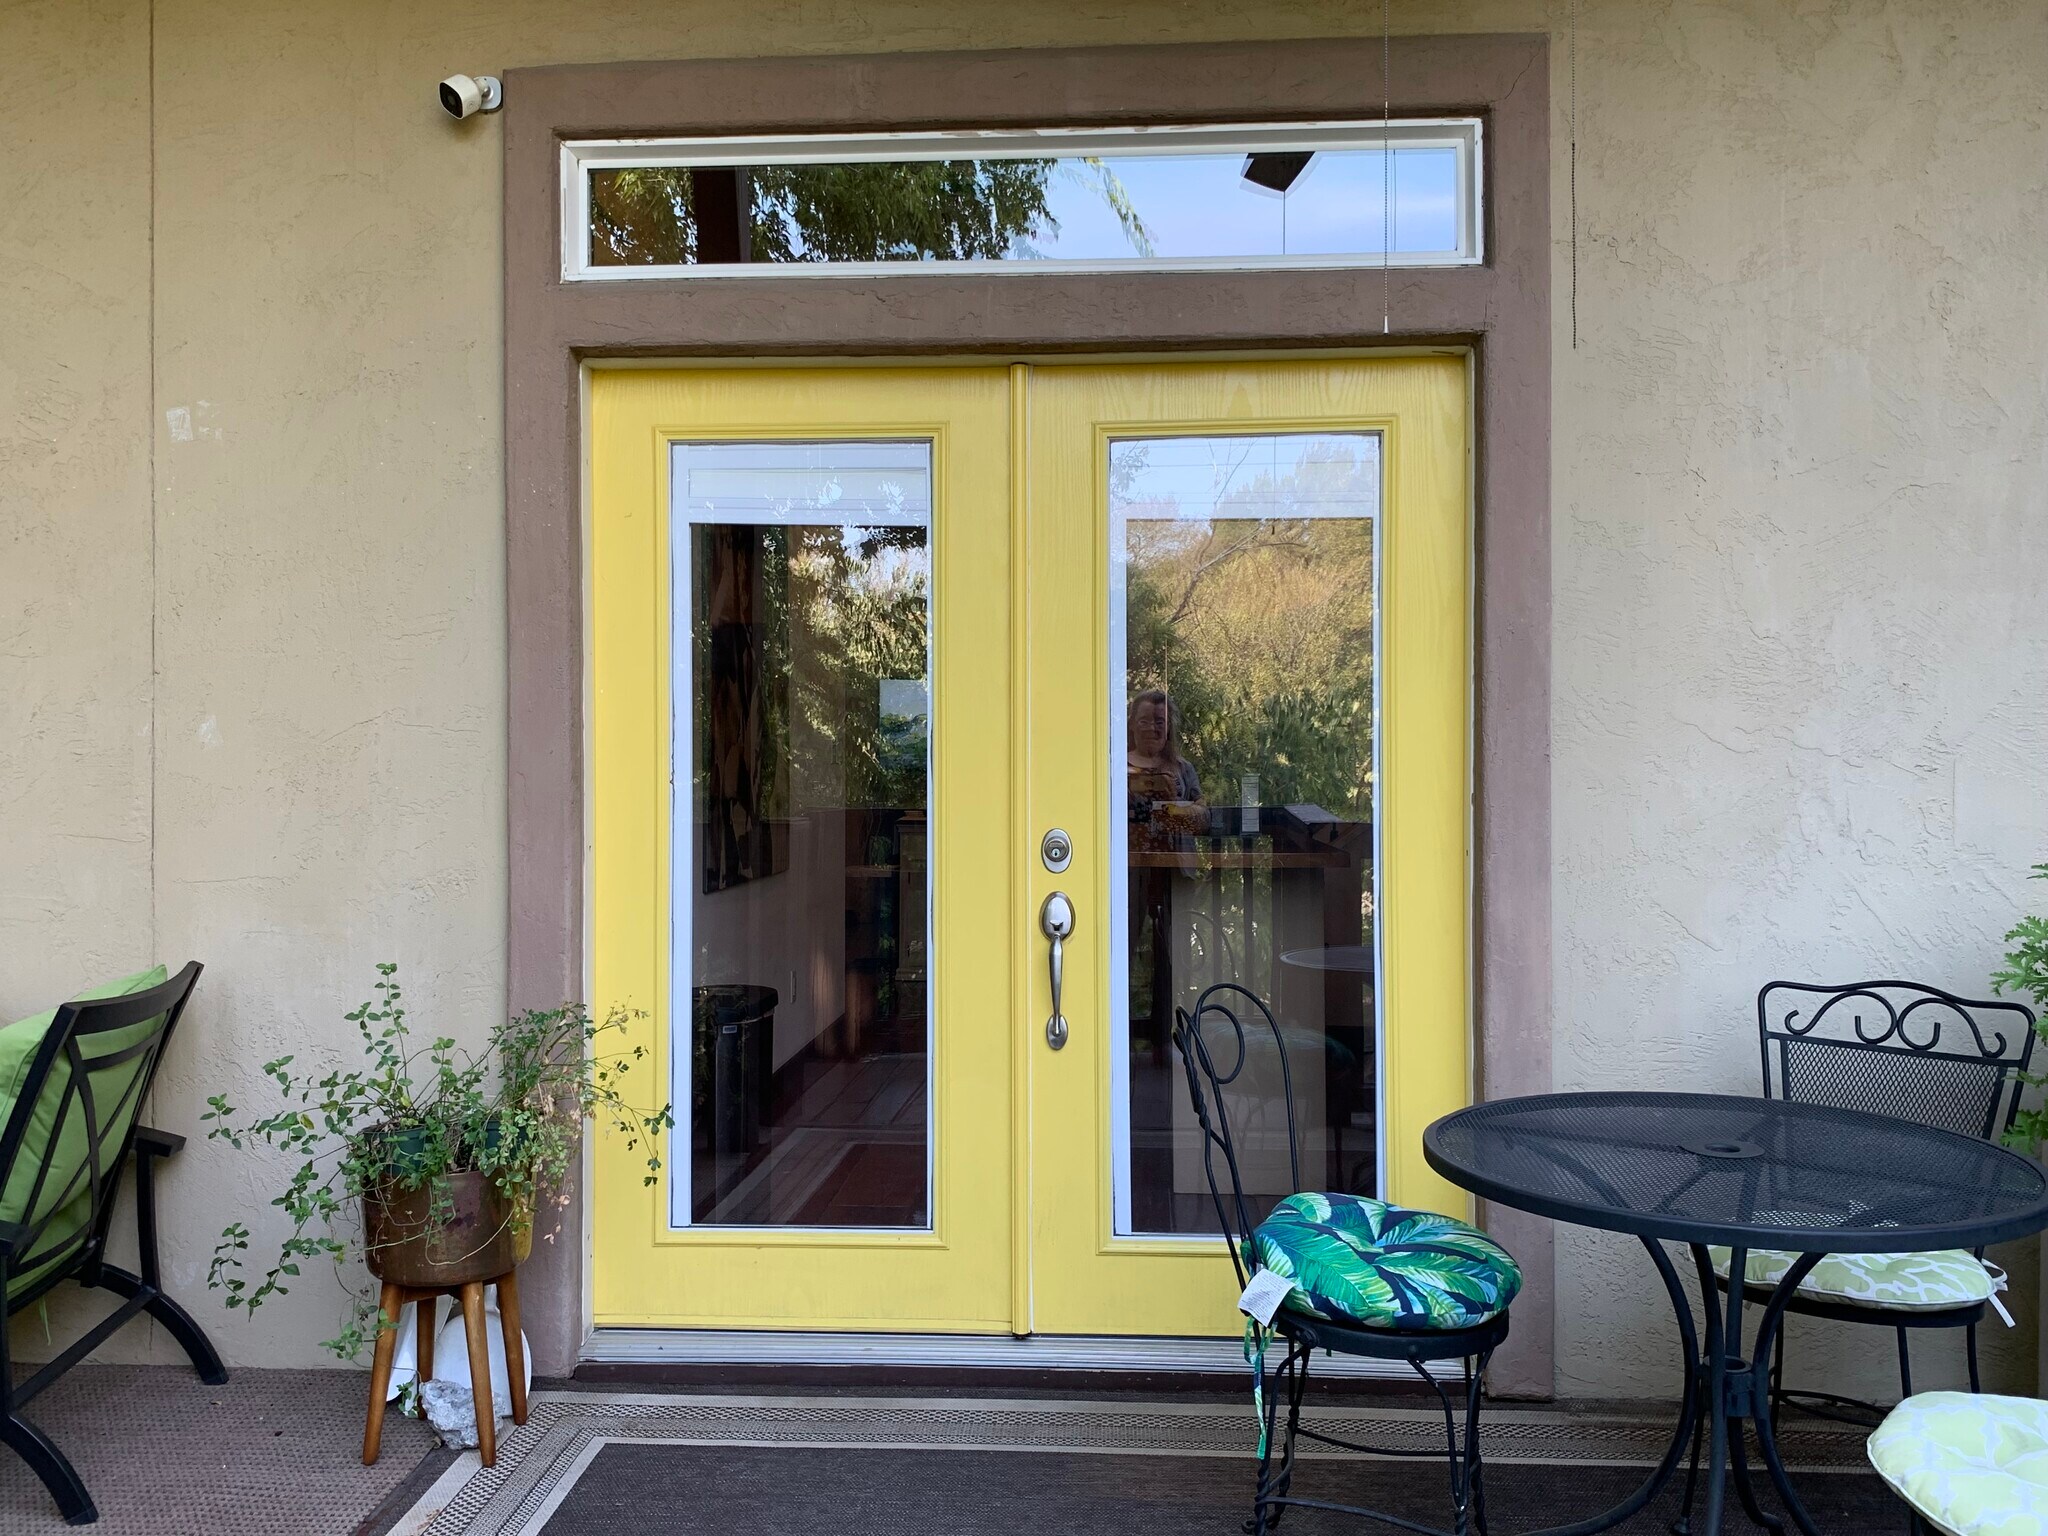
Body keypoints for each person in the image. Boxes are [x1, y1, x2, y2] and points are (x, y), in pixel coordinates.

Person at [1126, 688, 1204, 851]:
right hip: (1128, 867)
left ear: (1168, 727)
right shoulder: (1117, 768)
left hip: (1176, 868)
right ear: (1132, 724)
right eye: (1144, 721)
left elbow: (1204, 821)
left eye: (1160, 722)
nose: (1152, 728)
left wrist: (1174, 803)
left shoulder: (1183, 769)